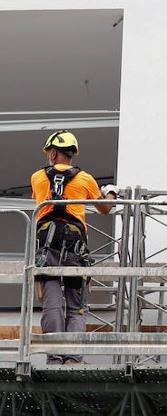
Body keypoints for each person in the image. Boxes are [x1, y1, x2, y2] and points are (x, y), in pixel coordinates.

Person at [30, 131, 118, 365]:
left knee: (51, 302)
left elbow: (39, 201)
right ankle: (72, 357)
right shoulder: (85, 179)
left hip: (46, 247)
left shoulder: (37, 177)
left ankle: (54, 355)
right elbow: (105, 208)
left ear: (53, 153)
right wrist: (110, 192)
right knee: (76, 304)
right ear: (71, 154)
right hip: (74, 248)